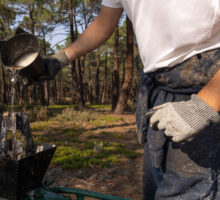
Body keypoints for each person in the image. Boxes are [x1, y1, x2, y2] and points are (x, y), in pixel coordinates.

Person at [37, 1, 220, 199]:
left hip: (205, 88)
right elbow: (104, 22)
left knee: (191, 193)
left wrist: (205, 105)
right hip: (158, 88)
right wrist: (63, 57)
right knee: (155, 187)